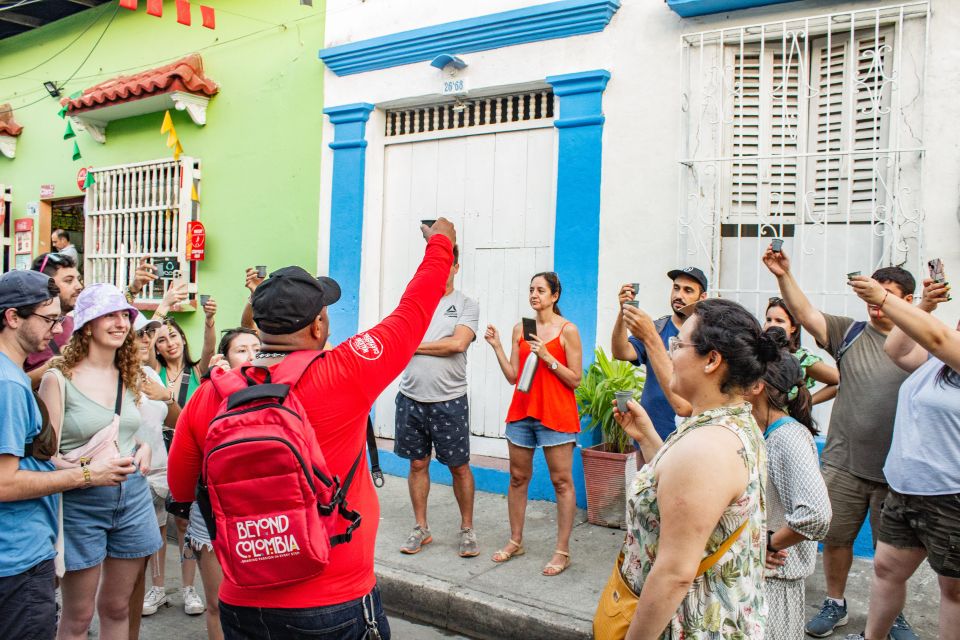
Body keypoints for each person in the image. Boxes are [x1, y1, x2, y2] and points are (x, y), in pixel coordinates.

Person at [167, 219, 457, 639]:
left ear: (259, 327)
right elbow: (413, 309)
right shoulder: (347, 371)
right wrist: (441, 243)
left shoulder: (210, 395)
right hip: (334, 599)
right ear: (318, 326)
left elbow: (180, 491)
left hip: (243, 601)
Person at [762, 245, 918, 639]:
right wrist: (783, 274)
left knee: (892, 554)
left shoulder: (920, 342)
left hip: (895, 471)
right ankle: (835, 602)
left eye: (888, 299)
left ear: (908, 302)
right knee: (835, 539)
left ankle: (893, 614)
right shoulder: (849, 332)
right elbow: (808, 315)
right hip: (843, 463)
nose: (877, 307)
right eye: (873, 297)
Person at [608, 298, 776, 638]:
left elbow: (674, 573)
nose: (671, 354)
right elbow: (682, 493)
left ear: (712, 359)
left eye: (678, 344)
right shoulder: (731, 422)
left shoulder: (707, 448)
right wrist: (647, 438)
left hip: (689, 625)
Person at [0, 271, 134, 640]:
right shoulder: (9, 385)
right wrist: (89, 474)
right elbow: (4, 483)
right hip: (16, 556)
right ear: (13, 318)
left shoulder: (11, 374)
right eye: (48, 319)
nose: (56, 329)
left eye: (59, 319)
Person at [38, 283, 162, 639]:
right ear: (87, 325)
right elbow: (45, 461)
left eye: (124, 314)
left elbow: (122, 433)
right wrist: (91, 473)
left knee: (118, 607)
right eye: (109, 314)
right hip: (81, 502)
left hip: (133, 496)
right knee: (78, 617)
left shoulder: (129, 374)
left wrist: (143, 448)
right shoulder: (58, 379)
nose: (120, 322)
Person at [844, 274, 960, 640]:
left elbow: (938, 337)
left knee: (953, 591)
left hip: (950, 497)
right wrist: (922, 304)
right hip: (905, 490)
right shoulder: (936, 365)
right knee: (886, 571)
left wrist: (884, 297)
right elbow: (896, 350)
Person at [484, 272, 582, 576]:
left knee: (562, 482)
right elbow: (514, 376)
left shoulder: (568, 330)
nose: (534, 294)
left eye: (540, 290)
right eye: (531, 289)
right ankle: (516, 540)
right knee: (517, 477)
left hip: (555, 414)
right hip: (523, 413)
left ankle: (562, 551)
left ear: (554, 296)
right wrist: (498, 346)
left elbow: (575, 379)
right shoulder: (521, 328)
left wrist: (548, 357)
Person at [175, 326, 262, 640]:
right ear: (222, 359)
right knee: (218, 603)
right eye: (242, 349)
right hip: (213, 510)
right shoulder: (207, 393)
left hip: (264, 514)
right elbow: (183, 463)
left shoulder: (280, 390)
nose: (253, 354)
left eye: (258, 347)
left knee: (262, 603)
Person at [395, 244, 480, 557]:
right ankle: (421, 528)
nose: (442, 270)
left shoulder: (467, 304)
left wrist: (414, 344)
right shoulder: (414, 304)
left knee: (459, 467)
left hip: (450, 400)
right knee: (417, 464)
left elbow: (457, 344)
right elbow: (397, 338)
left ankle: (467, 529)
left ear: (456, 267)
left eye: (448, 265)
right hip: (411, 398)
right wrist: (419, 343)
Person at [745, 348, 831, 639]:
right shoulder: (761, 431)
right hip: (759, 578)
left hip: (776, 583)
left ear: (759, 387)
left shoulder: (788, 437)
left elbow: (817, 515)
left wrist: (768, 544)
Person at [147, 286, 217, 617]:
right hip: (153, 453)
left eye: (173, 336)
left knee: (184, 525)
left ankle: (189, 588)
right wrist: (160, 310)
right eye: (162, 339)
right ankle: (158, 588)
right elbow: (142, 341)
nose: (169, 343)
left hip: (187, 454)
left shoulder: (197, 371)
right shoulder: (151, 372)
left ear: (182, 340)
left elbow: (209, 347)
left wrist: (208, 322)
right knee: (155, 523)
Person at [611, 267, 708, 439]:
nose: (679, 295)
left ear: (702, 297)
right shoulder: (655, 329)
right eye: (676, 288)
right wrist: (622, 311)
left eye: (688, 290)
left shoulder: (707, 336)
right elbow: (621, 352)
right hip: (651, 431)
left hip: (689, 434)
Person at [764, 297, 839, 404]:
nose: (772, 325)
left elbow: (840, 381)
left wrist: (807, 403)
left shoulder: (803, 359)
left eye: (779, 321)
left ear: (793, 327)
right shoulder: (755, 352)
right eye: (768, 320)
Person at [26, 251, 83, 388]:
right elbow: (11, 383)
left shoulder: (75, 324)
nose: (79, 286)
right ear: (45, 285)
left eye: (79, 279)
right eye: (68, 281)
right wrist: (53, 366)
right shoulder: (26, 328)